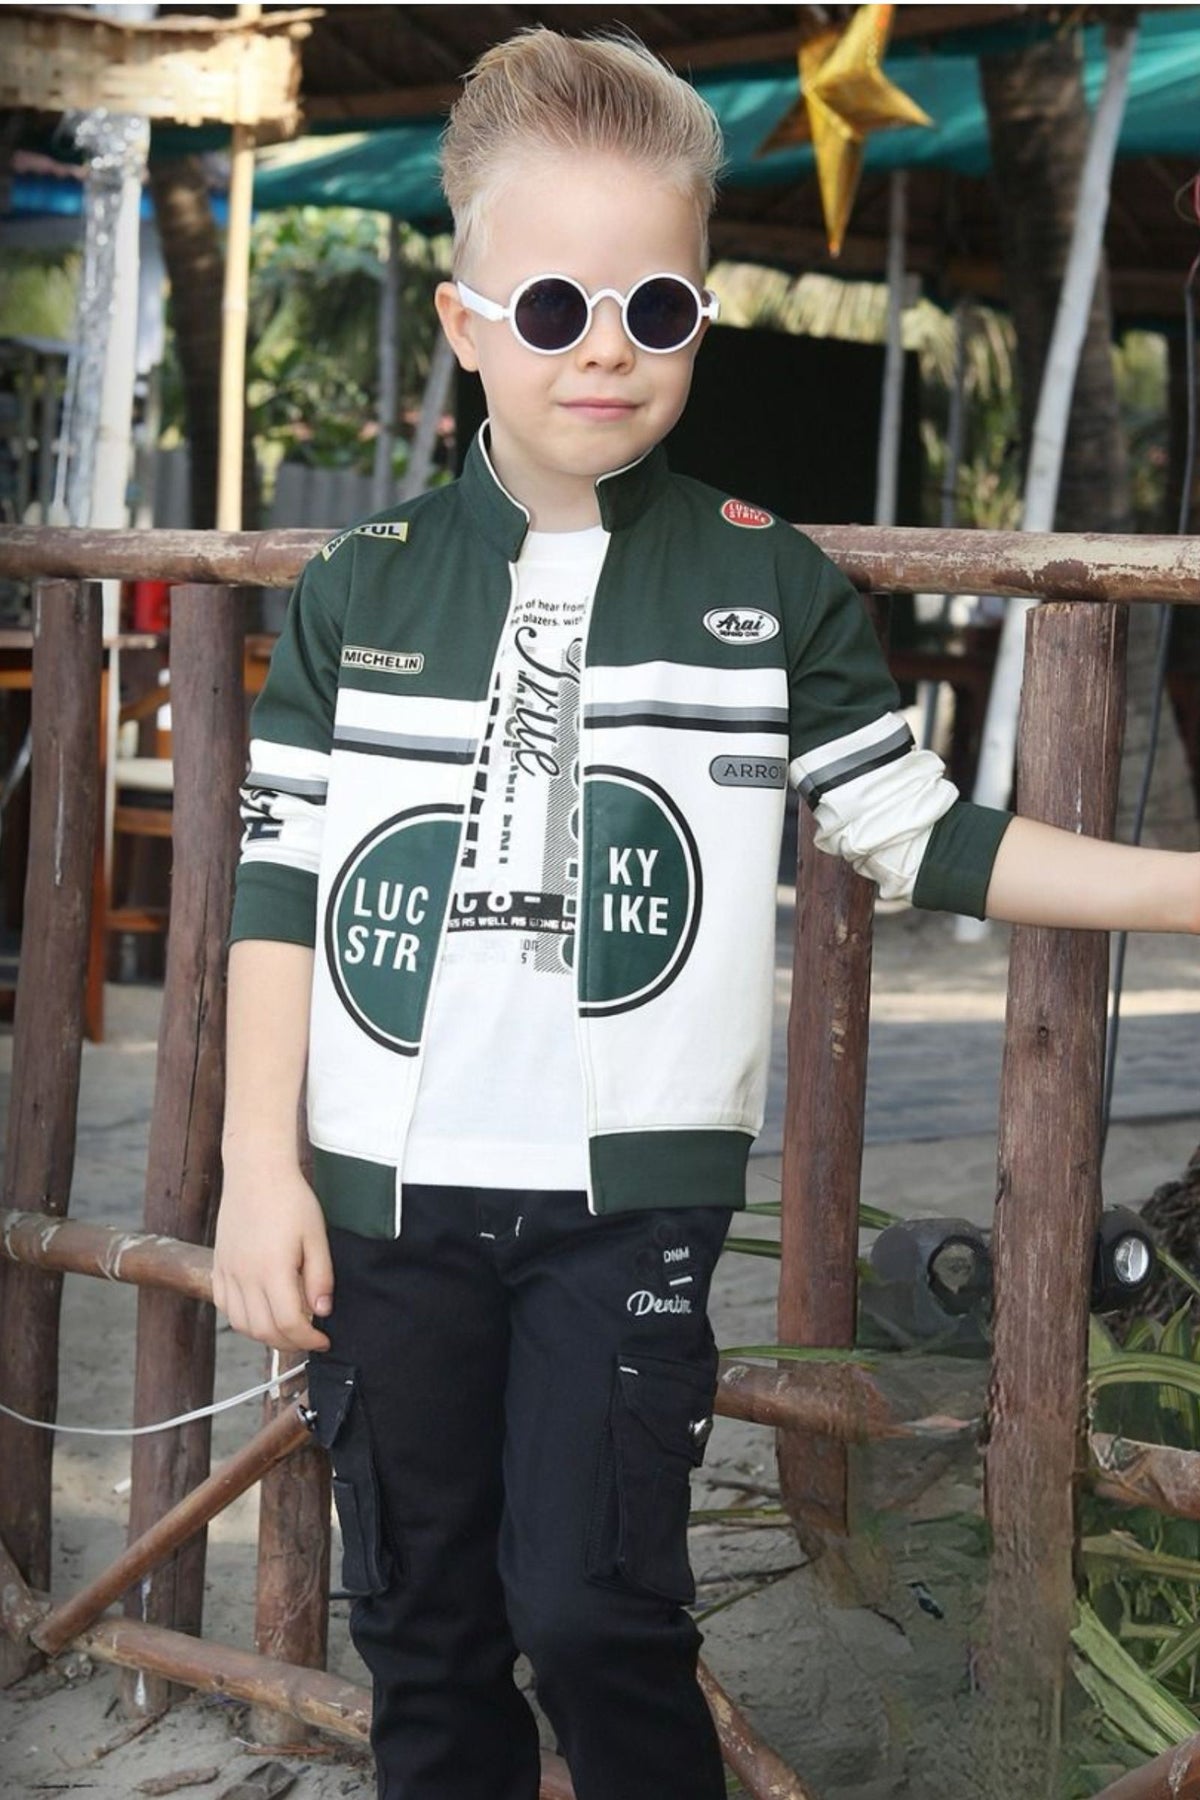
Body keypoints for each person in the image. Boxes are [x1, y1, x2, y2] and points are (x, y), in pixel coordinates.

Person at [213, 27, 1199, 1800]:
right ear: (464, 324)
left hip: (629, 1211)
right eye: (553, 308)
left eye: (654, 308)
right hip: (383, 1201)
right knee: (421, 1621)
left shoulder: (765, 576)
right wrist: (256, 1171)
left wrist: (1191, 891)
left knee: (595, 1611)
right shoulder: (357, 591)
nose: (606, 348)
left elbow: (926, 838)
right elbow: (278, 885)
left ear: (701, 316)